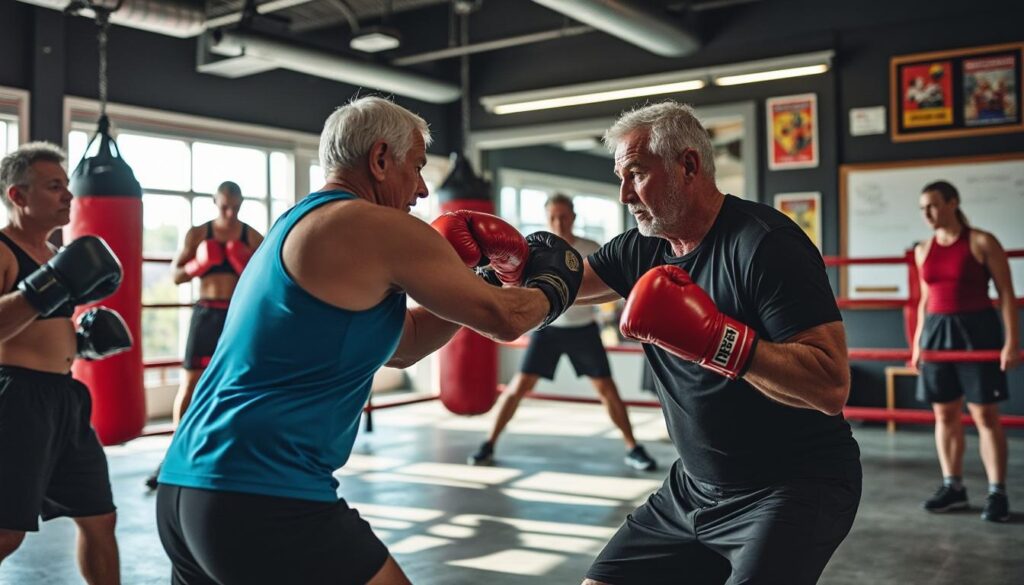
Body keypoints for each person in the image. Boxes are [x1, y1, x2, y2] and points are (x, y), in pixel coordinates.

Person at [154, 96, 583, 585]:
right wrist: (554, 285)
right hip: (263, 493)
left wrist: (477, 278)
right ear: (380, 160)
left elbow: (407, 345)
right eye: (417, 167)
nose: (422, 190)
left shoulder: (292, 227)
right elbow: (504, 321)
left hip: (187, 490)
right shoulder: (377, 226)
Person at [575, 102, 861, 585]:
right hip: (691, 492)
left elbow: (831, 386)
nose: (625, 194)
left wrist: (718, 341)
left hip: (792, 487)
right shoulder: (641, 248)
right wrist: (508, 266)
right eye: (621, 178)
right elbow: (549, 295)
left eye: (637, 174)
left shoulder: (766, 244)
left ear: (688, 166)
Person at [0, 142, 131, 584]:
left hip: (66, 399)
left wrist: (82, 342)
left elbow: (42, 326)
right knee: (5, 534)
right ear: (18, 196)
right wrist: (46, 288)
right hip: (16, 399)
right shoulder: (2, 251)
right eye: (54, 187)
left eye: (67, 187)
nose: (68, 197)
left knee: (99, 517)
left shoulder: (57, 253)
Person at [468, 193, 657, 471]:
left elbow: (607, 289)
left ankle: (633, 447)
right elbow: (519, 288)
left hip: (583, 330)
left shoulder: (590, 247)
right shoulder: (533, 250)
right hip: (548, 329)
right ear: (547, 218)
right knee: (519, 387)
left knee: (607, 389)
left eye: (564, 216)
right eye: (553, 217)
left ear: (574, 217)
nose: (559, 222)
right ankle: (488, 443)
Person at [144, 181, 264, 490]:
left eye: (235, 206)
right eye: (225, 205)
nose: (230, 211)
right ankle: (175, 452)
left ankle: (236, 453)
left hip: (237, 315)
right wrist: (199, 263)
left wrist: (244, 262)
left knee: (241, 382)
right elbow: (175, 275)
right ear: (215, 202)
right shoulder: (199, 234)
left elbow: (266, 276)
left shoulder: (250, 235)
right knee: (190, 382)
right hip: (206, 313)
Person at [911, 180, 1018, 523]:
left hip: (977, 332)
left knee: (986, 417)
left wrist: (1012, 341)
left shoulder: (982, 242)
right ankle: (953, 487)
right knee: (944, 415)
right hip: (937, 335)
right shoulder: (923, 249)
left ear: (953, 203)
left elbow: (1006, 295)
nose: (927, 214)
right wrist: (917, 344)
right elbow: (926, 300)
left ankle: (997, 492)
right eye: (922, 208)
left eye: (932, 205)